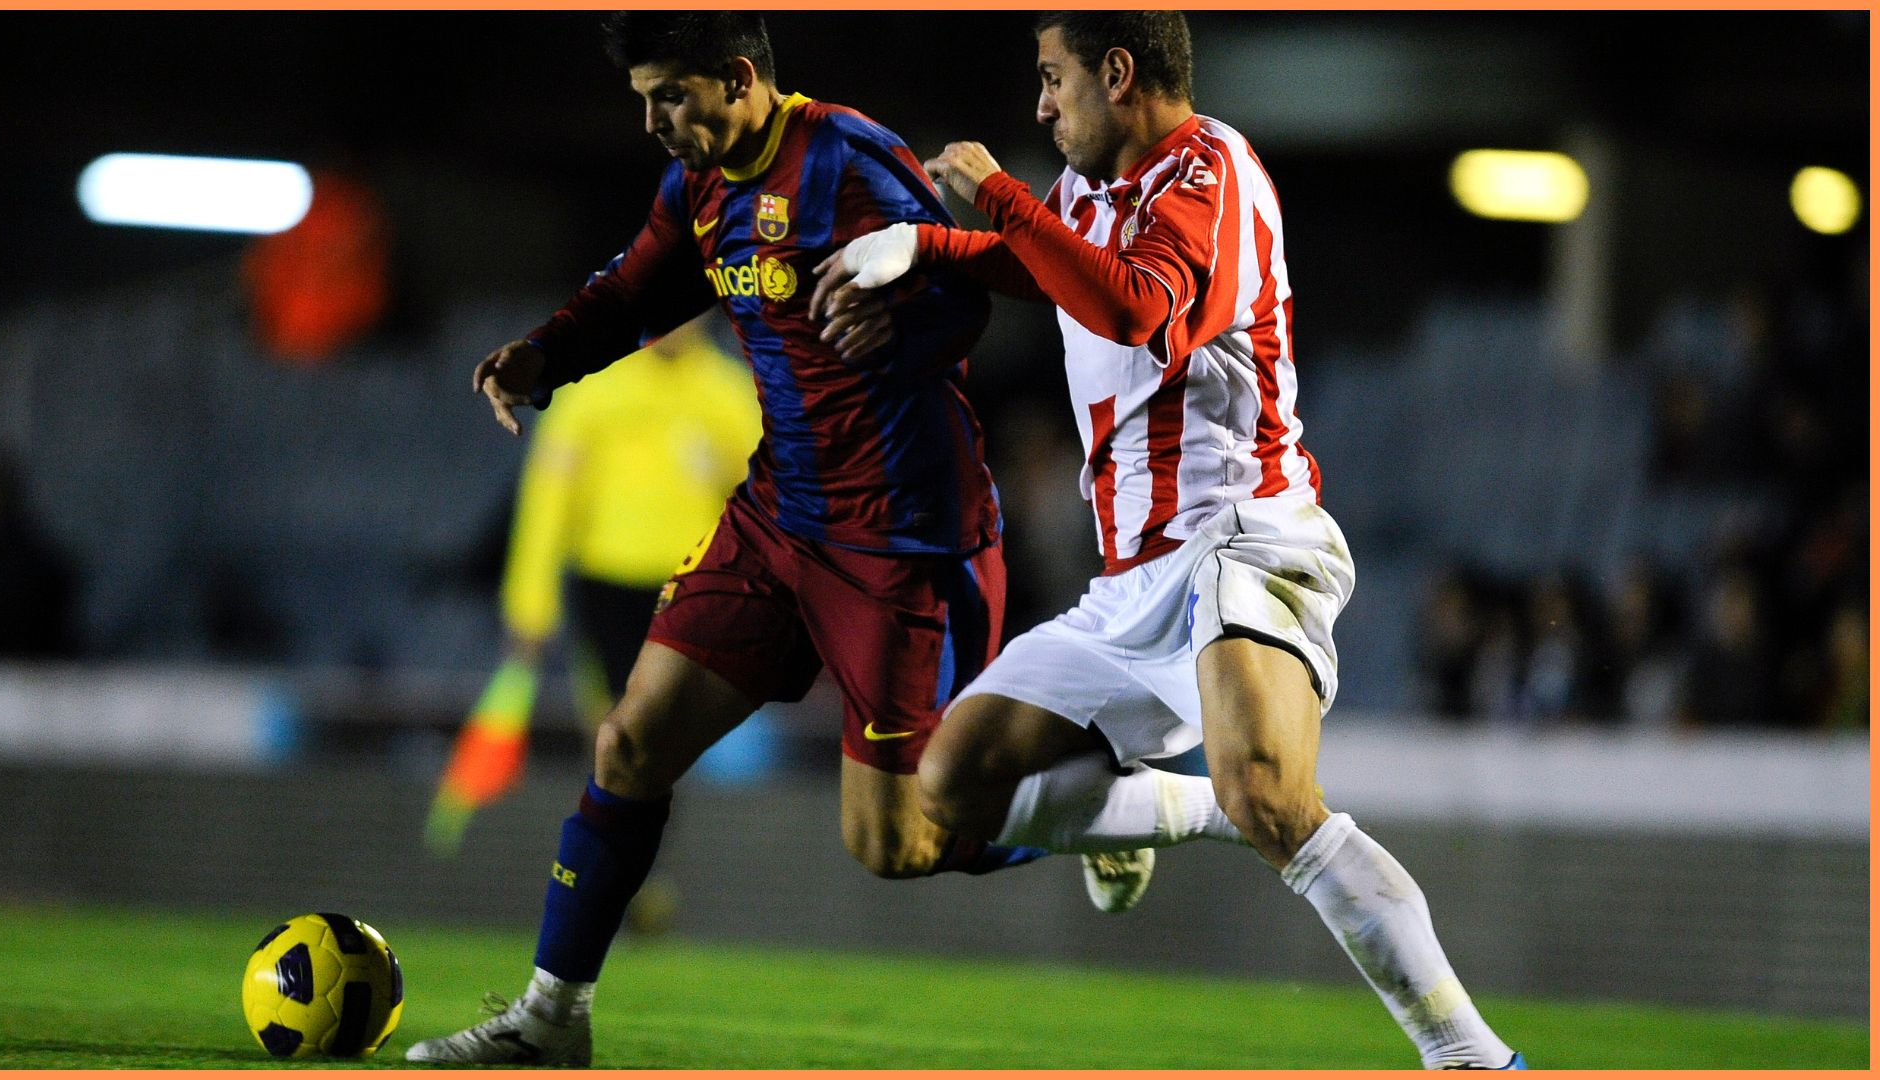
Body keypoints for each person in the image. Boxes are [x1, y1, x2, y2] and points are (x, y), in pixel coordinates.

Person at [815, 11, 1524, 1070]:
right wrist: (927, 249)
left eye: (1053, 80)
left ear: (1117, 72)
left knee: (1274, 791)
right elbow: (1047, 269)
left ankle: (1470, 1055)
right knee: (956, 781)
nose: (1042, 104)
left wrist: (993, 196)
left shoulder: (1211, 171)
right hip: (1133, 574)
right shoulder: (1089, 195)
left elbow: (1139, 308)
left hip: (1245, 535)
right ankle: (1197, 811)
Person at [410, 13, 1063, 1066]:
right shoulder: (700, 185)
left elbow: (974, 290)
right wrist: (542, 357)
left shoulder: (847, 159)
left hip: (896, 538)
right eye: (643, 101)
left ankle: (1094, 811)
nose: (655, 121)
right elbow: (636, 291)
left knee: (892, 845)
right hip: (777, 520)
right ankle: (551, 1019)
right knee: (628, 744)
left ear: (741, 79)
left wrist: (905, 321)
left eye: (670, 96)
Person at [424, 320, 762, 856]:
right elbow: (549, 501)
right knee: (618, 739)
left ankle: (639, 865)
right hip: (606, 589)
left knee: (659, 741)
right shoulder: (596, 390)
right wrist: (530, 608)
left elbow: (771, 495)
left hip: (693, 592)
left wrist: (724, 469)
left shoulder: (731, 393)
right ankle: (633, 870)